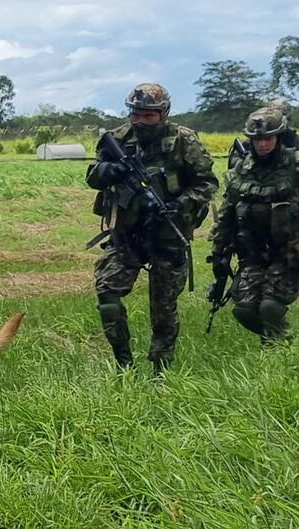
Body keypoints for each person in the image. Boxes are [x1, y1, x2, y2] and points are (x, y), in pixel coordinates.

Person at [86, 83, 218, 371]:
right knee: (107, 294)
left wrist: (180, 204)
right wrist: (111, 170)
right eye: (136, 114)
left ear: (163, 114)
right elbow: (94, 176)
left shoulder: (183, 140)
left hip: (167, 233)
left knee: (163, 309)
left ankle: (161, 370)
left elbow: (207, 183)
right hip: (127, 235)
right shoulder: (118, 139)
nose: (141, 121)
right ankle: (124, 365)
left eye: (149, 116)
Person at [209, 106, 299, 343]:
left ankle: (281, 346)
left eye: (267, 138)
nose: (262, 144)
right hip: (253, 251)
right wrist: (219, 250)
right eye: (256, 139)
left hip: (290, 250)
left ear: (278, 136)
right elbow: (228, 212)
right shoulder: (241, 170)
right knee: (245, 310)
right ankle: (276, 339)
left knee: (270, 306)